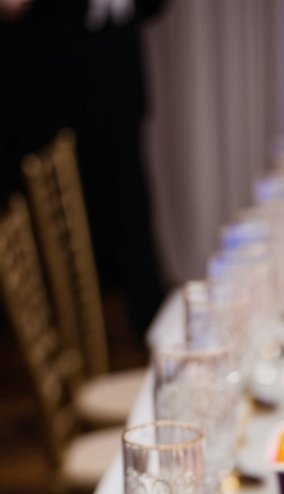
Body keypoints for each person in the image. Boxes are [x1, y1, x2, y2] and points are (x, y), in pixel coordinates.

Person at [0, 0, 169, 339]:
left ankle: (149, 324)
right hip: (52, 78)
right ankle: (64, 339)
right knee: (58, 220)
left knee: (130, 207)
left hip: (117, 72)